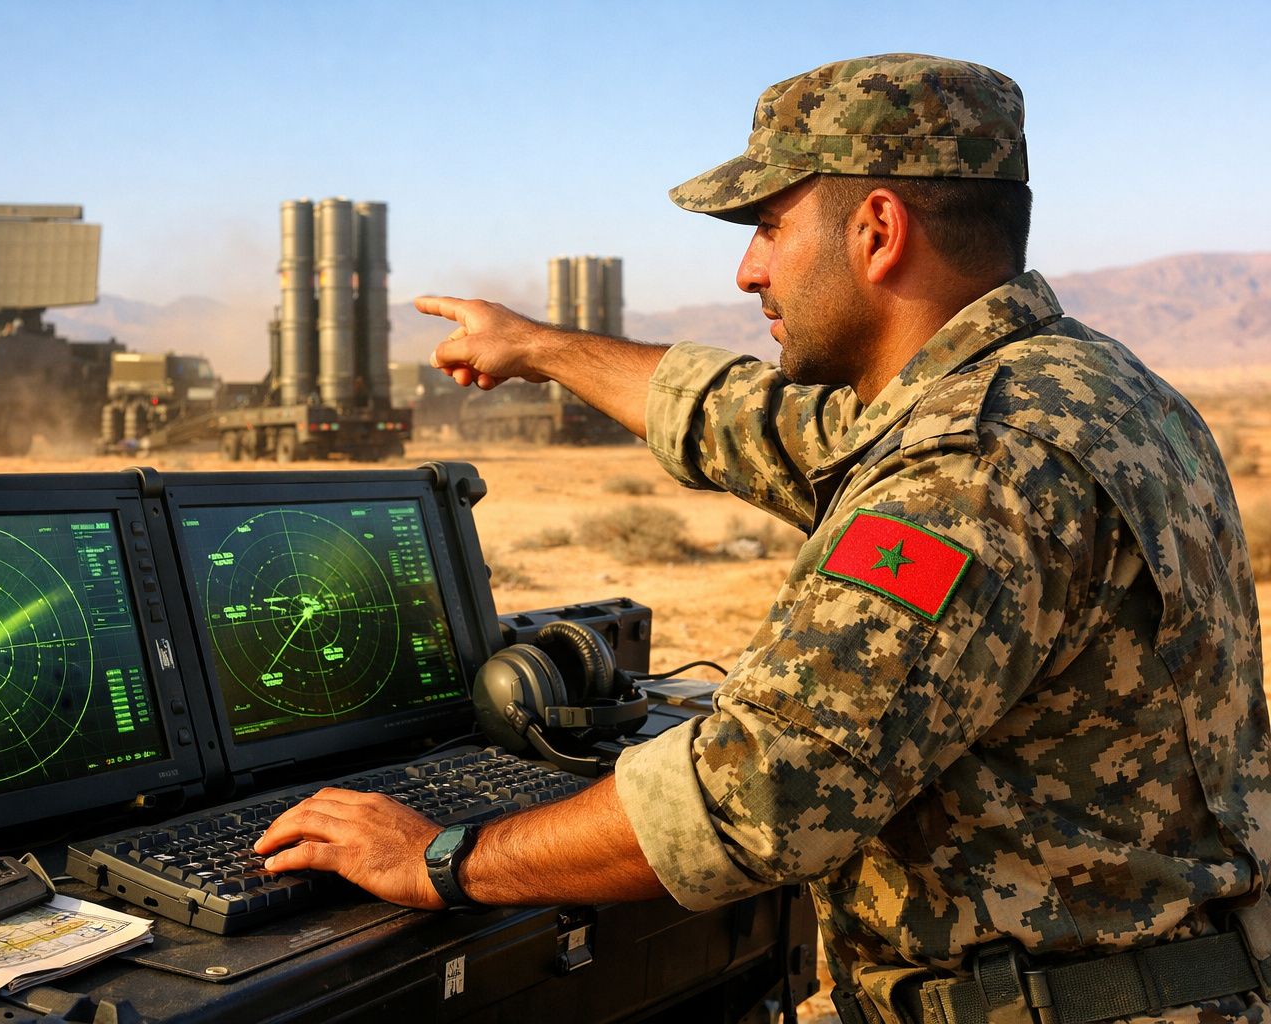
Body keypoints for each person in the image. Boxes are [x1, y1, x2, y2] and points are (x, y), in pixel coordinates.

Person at [257, 54, 1271, 1024]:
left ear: (878, 229)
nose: (748, 270)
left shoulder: (975, 464)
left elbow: (758, 795)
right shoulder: (1081, 386)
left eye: (767, 227)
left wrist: (439, 856)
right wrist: (543, 347)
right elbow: (758, 424)